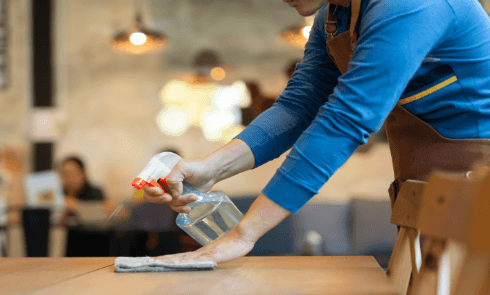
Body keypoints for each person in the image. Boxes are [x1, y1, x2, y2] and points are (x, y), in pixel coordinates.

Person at [144, 0, 490, 266]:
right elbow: (296, 108)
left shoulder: (411, 5)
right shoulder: (332, 18)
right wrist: (210, 169)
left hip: (476, 196)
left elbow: (346, 118)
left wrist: (244, 233)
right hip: (427, 195)